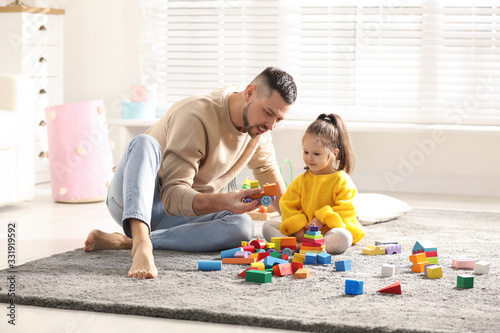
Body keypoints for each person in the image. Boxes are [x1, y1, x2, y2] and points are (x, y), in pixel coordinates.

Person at [84, 67, 297, 279]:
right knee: (144, 142)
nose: (271, 125)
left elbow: (269, 174)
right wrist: (224, 201)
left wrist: (296, 225)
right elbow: (172, 195)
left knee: (241, 226)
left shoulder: (259, 129)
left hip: (181, 212)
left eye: (279, 119)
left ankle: (128, 241)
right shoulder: (195, 115)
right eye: (268, 113)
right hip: (134, 198)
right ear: (249, 93)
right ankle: (140, 244)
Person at [262, 113, 365, 254]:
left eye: (316, 154)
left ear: (334, 154)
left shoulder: (342, 180)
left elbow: (347, 210)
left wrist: (321, 218)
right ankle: (302, 246)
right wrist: (298, 227)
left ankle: (302, 247)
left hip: (328, 233)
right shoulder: (302, 181)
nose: (309, 158)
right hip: (302, 233)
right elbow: (287, 205)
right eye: (306, 152)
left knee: (344, 237)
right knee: (268, 226)